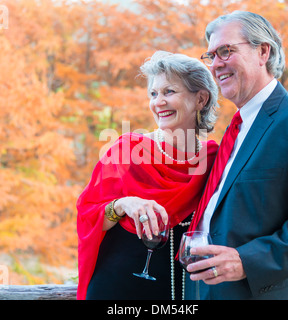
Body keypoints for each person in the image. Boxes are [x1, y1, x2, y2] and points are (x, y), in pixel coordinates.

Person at [185, 11, 288, 299]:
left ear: (262, 51)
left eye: (225, 51)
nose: (216, 64)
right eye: (211, 56)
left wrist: (246, 261)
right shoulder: (236, 128)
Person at [76, 51, 219, 300]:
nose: (158, 102)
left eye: (169, 92)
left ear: (201, 99)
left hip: (186, 292)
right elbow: (87, 216)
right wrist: (122, 204)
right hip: (118, 289)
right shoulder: (126, 150)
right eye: (153, 94)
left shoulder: (216, 159)